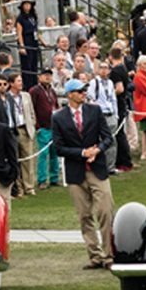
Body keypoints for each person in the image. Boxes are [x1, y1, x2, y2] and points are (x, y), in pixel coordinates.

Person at [52, 80, 114, 269]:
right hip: (76, 173)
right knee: (84, 216)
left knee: (106, 211)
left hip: (97, 170)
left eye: (84, 91)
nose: (83, 94)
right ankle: (95, 256)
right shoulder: (58, 117)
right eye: (79, 91)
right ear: (70, 94)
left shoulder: (94, 111)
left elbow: (108, 137)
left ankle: (110, 255)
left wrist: (97, 150)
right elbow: (58, 147)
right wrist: (81, 153)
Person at [15, 0, 40, 91]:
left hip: (34, 41)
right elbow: (19, 33)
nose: (27, 6)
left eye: (29, 4)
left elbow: (36, 30)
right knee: (27, 65)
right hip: (26, 40)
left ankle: (35, 84)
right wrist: (22, 46)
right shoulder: (20, 18)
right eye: (25, 4)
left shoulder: (33, 16)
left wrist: (42, 41)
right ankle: (28, 86)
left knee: (34, 64)